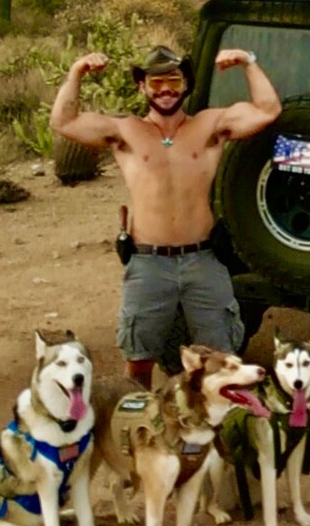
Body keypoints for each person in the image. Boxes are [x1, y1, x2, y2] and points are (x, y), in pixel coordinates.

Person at [50, 41, 281, 386]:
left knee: (222, 358)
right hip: (148, 262)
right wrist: (76, 72)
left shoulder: (210, 126)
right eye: (156, 83)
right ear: (142, 86)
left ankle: (217, 434)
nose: (165, 91)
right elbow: (64, 120)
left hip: (203, 259)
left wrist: (248, 62)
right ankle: (139, 428)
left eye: (173, 82)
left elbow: (267, 109)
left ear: (186, 85)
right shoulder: (126, 131)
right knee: (139, 360)